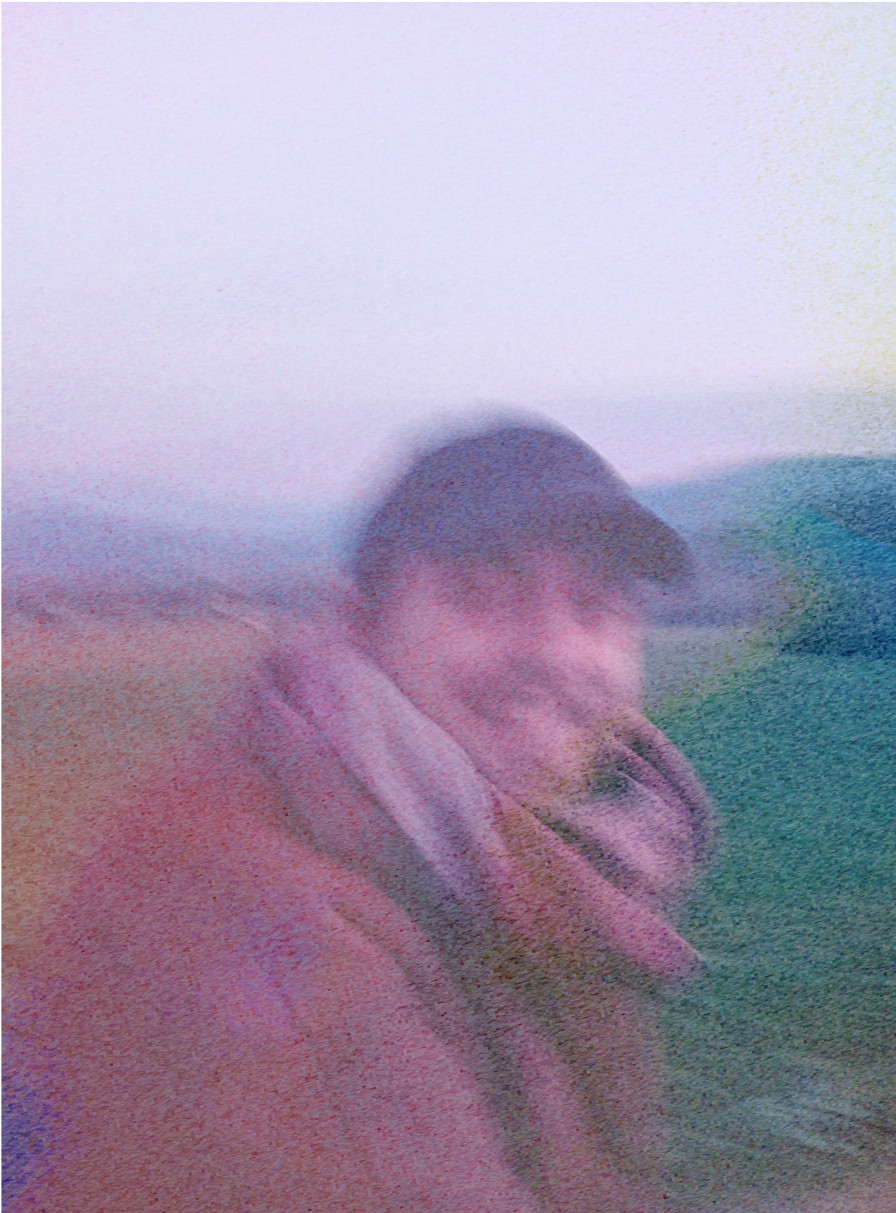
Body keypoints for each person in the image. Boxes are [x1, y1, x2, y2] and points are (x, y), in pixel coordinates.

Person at [21, 421, 716, 1212]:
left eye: (595, 607)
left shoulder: (486, 846)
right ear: (359, 623)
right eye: (481, 592)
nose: (555, 651)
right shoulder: (282, 931)